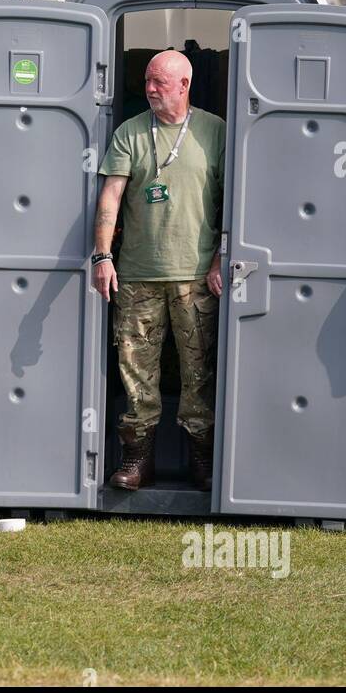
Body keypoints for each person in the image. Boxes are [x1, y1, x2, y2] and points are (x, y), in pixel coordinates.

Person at [92, 50, 226, 491]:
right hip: (137, 276)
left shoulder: (214, 131)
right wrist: (103, 255)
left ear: (184, 85)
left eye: (159, 82)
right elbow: (111, 195)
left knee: (198, 373)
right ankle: (137, 459)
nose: (150, 88)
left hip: (195, 277)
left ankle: (201, 459)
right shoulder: (131, 131)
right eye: (148, 81)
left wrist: (222, 255)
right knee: (135, 371)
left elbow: (235, 199)